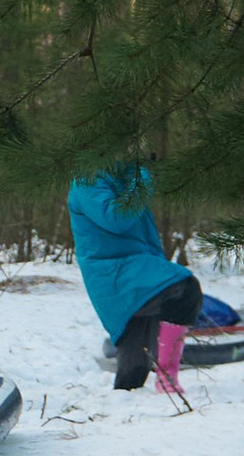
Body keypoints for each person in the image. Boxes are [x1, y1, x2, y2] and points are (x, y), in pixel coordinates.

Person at [66, 163, 205, 394]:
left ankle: (126, 406)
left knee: (134, 367)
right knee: (183, 288)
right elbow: (115, 219)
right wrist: (140, 181)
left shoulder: (119, 175)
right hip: (114, 274)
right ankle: (166, 379)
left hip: (130, 270)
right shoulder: (86, 179)